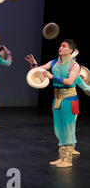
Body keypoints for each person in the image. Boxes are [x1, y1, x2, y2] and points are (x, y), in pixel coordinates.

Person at [25, 39, 82, 167]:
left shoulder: (74, 65)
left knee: (68, 128)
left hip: (69, 99)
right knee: (59, 128)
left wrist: (52, 77)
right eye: (60, 45)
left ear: (70, 50)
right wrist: (34, 65)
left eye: (64, 46)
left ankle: (68, 160)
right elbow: (39, 70)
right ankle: (62, 157)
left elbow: (70, 81)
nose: (60, 48)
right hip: (57, 99)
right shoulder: (54, 62)